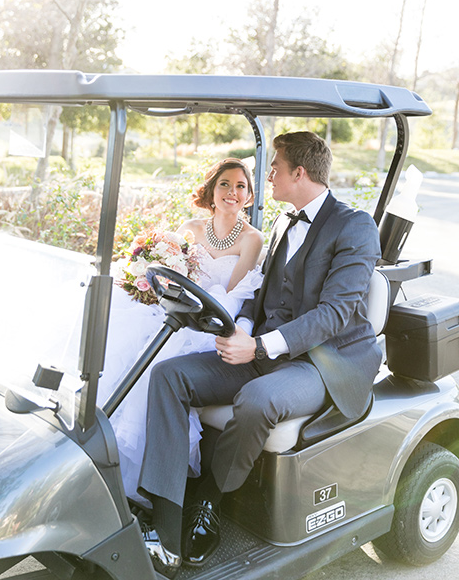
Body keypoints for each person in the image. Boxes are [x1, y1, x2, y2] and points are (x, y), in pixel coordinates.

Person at [137, 131, 382, 577]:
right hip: (266, 348)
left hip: (324, 361)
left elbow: (336, 312)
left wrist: (262, 344)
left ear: (299, 173)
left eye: (274, 168)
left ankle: (210, 499)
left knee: (258, 400)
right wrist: (245, 330)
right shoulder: (283, 222)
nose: (266, 177)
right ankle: (165, 523)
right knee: (169, 376)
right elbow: (258, 293)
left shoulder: (354, 225)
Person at [97, 158, 264, 503]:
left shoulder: (252, 239)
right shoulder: (191, 227)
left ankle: (148, 485)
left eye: (240, 187)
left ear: (248, 196)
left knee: (161, 364)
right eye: (224, 184)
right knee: (128, 350)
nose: (232, 192)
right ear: (211, 190)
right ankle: (102, 460)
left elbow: (232, 295)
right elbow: (174, 277)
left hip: (211, 321)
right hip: (176, 311)